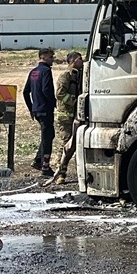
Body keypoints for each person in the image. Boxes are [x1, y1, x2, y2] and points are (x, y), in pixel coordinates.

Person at [47, 51, 84, 186]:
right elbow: (60, 93)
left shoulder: (80, 75)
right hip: (66, 116)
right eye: (80, 59)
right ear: (72, 60)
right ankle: (60, 173)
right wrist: (75, 101)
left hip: (77, 116)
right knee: (66, 144)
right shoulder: (65, 76)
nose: (82, 61)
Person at [23, 47, 56, 177]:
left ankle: (38, 160)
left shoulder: (33, 72)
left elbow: (26, 91)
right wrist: (53, 103)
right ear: (43, 57)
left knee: (49, 134)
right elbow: (46, 89)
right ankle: (45, 167)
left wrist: (31, 108)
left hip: (37, 109)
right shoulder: (46, 71)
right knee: (47, 137)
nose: (52, 59)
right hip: (45, 109)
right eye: (50, 57)